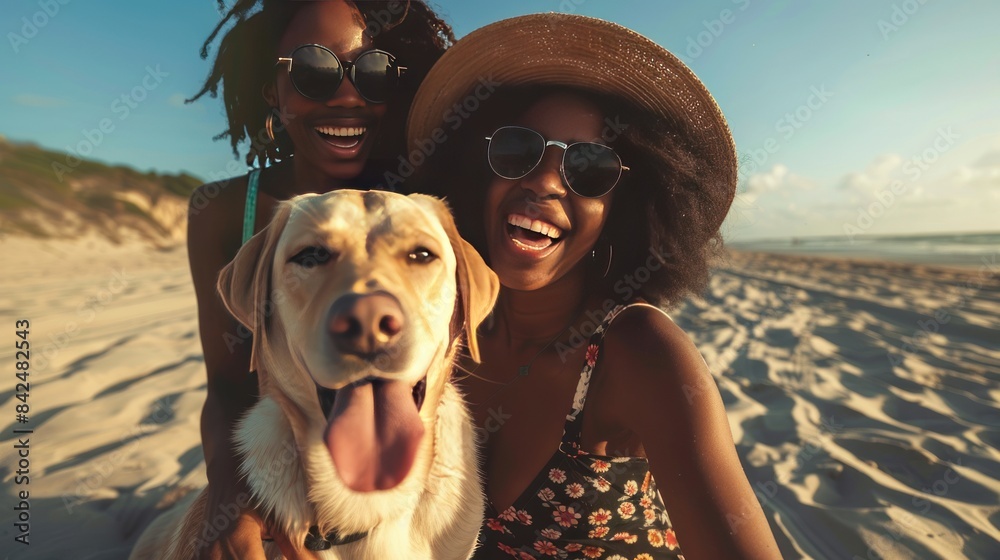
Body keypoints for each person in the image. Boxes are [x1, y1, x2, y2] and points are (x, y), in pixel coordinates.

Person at [408, 14, 782, 559]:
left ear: (624, 208)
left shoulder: (640, 352)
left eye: (589, 167)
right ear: (476, 169)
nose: (543, 180)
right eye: (518, 149)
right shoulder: (441, 329)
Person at [184, 1, 453, 558]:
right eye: (313, 70)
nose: (348, 96)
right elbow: (227, 386)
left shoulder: (409, 208)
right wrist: (233, 498)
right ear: (271, 87)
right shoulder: (224, 210)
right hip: (277, 467)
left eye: (373, 72)